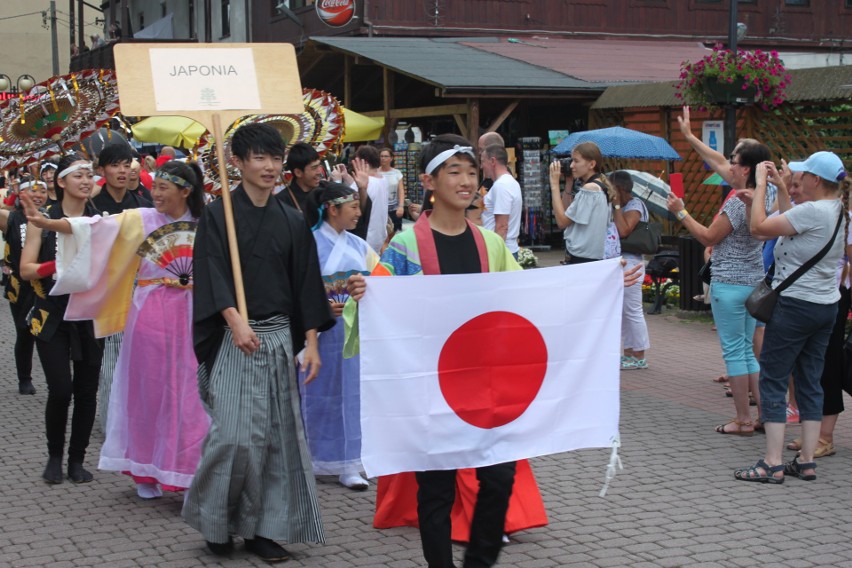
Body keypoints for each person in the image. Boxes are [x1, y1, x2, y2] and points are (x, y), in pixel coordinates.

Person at [346, 134, 546, 568]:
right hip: (430, 388)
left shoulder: (491, 246)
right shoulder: (404, 246)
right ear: (428, 181)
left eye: (472, 172)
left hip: (484, 385)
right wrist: (364, 293)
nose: (467, 181)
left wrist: (603, 284)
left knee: (499, 477)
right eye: (454, 171)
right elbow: (373, 308)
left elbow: (528, 299)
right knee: (435, 490)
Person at [183, 123, 334, 562]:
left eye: (275, 158)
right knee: (234, 437)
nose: (270, 167)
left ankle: (262, 530)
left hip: (278, 339)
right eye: (259, 158)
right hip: (237, 339)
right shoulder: (218, 214)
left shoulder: (290, 217)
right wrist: (234, 321)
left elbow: (306, 284)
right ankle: (216, 522)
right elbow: (211, 272)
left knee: (275, 439)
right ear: (237, 161)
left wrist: (311, 343)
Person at [27, 161, 211, 499]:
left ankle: (186, 471)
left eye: (163, 188)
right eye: (154, 187)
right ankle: (143, 470)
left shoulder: (207, 223)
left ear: (185, 191)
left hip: (192, 313)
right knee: (148, 391)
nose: (155, 194)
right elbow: (92, 228)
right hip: (151, 311)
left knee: (188, 394)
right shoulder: (140, 219)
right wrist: (48, 222)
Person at [735, 152, 847, 483]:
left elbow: (759, 228)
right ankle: (807, 460)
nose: (798, 180)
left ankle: (772, 461)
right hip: (825, 306)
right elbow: (794, 219)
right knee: (811, 380)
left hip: (795, 306)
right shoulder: (838, 210)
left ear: (815, 180)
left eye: (802, 175)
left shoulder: (814, 211)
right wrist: (782, 189)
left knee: (773, 377)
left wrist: (758, 188)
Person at [667, 142, 771, 436]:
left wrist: (680, 212)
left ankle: (743, 420)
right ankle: (763, 415)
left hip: (730, 285)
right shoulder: (763, 196)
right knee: (749, 353)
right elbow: (715, 161)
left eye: (734, 160)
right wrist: (688, 135)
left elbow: (708, 237)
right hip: (753, 283)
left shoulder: (738, 201)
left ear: (746, 168)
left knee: (736, 353)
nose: (729, 164)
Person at [19, 154, 103, 484]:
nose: (85, 180)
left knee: (86, 391)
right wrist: (57, 268)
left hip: (89, 315)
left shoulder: (100, 221)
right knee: (60, 389)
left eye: (89, 175)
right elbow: (26, 269)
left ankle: (77, 460)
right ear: (61, 181)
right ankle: (54, 455)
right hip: (52, 314)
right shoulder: (43, 220)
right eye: (77, 175)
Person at [299, 181, 385, 490]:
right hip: (320, 334)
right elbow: (296, 289)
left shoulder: (359, 246)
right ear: (332, 210)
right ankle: (316, 459)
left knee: (354, 396)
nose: (358, 213)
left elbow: (381, 279)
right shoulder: (307, 244)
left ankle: (350, 462)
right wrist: (320, 308)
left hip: (354, 333)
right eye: (353, 207)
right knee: (320, 395)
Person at [91, 143, 152, 433]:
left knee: (140, 358)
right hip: (107, 291)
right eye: (115, 165)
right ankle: (111, 425)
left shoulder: (143, 204)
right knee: (110, 361)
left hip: (141, 289)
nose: (122, 171)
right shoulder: (91, 205)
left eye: (126, 164)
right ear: (101, 170)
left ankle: (138, 420)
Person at [1, 180, 49, 394]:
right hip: (20, 286)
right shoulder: (11, 218)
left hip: (45, 284)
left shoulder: (51, 217)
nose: (39, 195)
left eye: (43, 191)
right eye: (32, 191)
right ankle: (24, 378)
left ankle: (54, 378)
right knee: (24, 331)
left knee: (47, 331)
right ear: (21, 193)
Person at [610, 171, 650, 370]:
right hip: (621, 262)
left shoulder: (635, 205)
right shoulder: (618, 206)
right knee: (624, 312)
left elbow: (624, 229)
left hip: (632, 263)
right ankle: (628, 353)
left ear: (621, 189)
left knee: (633, 310)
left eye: (611, 187)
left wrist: (616, 205)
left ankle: (639, 355)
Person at [549, 142, 613, 264]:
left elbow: (562, 222)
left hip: (582, 258)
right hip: (589, 257)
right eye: (571, 161)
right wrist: (568, 183)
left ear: (592, 164)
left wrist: (554, 185)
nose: (572, 165)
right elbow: (566, 213)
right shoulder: (597, 186)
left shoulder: (590, 189)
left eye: (576, 161)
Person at [480, 144, 523, 260]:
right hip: (507, 249)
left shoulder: (501, 186)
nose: (481, 166)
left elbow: (502, 226)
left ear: (493, 161)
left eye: (483, 161)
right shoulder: (511, 182)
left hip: (500, 251)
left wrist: (495, 255)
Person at [277, 142, 323, 213]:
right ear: (298, 173)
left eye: (319, 165)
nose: (319, 172)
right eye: (314, 168)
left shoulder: (325, 188)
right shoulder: (282, 202)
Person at [379, 147, 406, 233]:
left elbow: (401, 190)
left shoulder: (397, 173)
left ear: (391, 158)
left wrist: (401, 206)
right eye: (381, 156)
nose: (383, 158)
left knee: (396, 232)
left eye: (386, 156)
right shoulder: (376, 172)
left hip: (394, 208)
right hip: (380, 209)